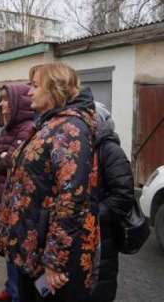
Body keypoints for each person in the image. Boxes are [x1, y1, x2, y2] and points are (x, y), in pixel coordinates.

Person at [0, 63, 100, 302]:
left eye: (34, 86)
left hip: (48, 256)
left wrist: (55, 260)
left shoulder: (71, 128)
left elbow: (71, 200)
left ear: (55, 89)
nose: (29, 92)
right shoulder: (49, 123)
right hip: (32, 249)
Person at [0, 84, 34, 302]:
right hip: (4, 194)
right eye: (0, 100)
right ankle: (11, 288)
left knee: (16, 248)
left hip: (16, 199)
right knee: (8, 246)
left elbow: (11, 161)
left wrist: (0, 155)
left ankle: (16, 293)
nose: (1, 104)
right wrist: (0, 155)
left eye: (5, 100)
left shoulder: (28, 128)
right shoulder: (9, 129)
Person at [91, 102, 135, 302]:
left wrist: (92, 214)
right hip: (87, 233)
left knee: (100, 286)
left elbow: (123, 195)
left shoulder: (110, 150)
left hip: (103, 235)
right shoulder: (83, 147)